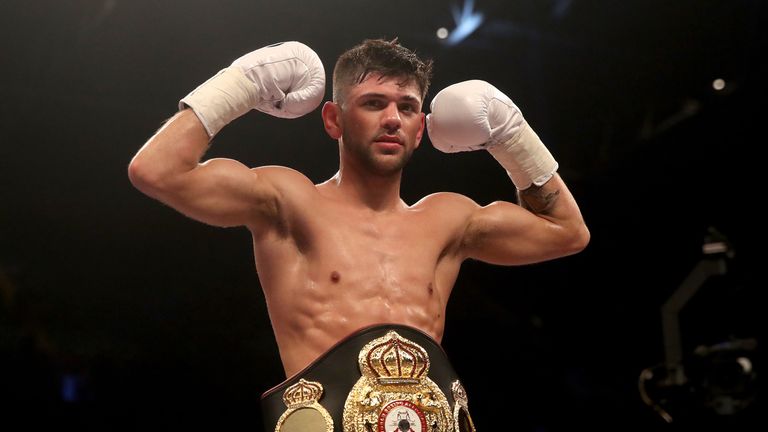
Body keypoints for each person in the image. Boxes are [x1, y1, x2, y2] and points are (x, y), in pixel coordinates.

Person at [128, 39, 589, 431]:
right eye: (374, 104)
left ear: (420, 130)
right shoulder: (289, 202)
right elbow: (157, 170)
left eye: (407, 108)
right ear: (334, 120)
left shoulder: (449, 221)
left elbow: (567, 232)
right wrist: (243, 84)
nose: (393, 119)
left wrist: (513, 136)